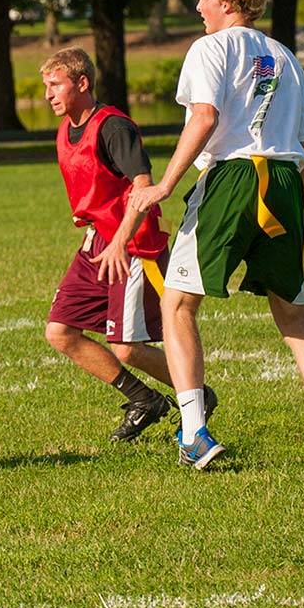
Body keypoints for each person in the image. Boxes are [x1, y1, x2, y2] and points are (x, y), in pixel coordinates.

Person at [130, 0, 304, 469]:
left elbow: (206, 116)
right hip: (284, 181)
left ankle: (193, 431)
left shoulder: (210, 48)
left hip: (233, 176)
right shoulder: (284, 56)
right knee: (293, 311)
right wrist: (291, 200)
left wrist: (166, 185)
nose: (197, 6)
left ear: (227, 1)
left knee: (177, 305)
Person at [40, 48, 201, 442]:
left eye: (55, 84)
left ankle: (195, 397)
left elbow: (143, 189)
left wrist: (121, 242)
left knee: (127, 346)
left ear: (82, 83)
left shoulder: (113, 127)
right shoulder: (67, 127)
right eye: (45, 86)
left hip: (132, 247)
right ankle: (143, 399)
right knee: (60, 332)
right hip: (97, 242)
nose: (48, 94)